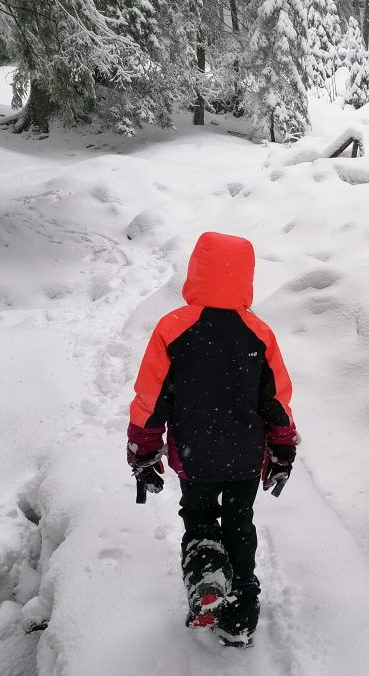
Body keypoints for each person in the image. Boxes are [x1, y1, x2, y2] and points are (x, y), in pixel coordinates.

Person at [126, 232, 298, 648]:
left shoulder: (172, 329)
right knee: (240, 522)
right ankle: (240, 614)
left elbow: (151, 399)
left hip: (195, 454)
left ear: (197, 271)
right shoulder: (259, 333)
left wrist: (143, 452)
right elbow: (276, 399)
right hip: (243, 457)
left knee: (199, 516)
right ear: (246, 277)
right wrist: (282, 450)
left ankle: (206, 577)